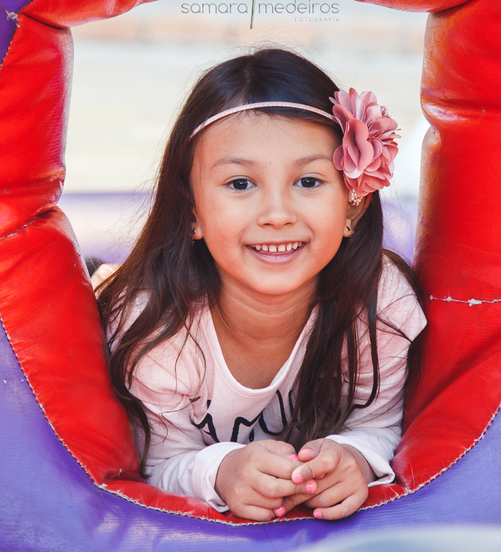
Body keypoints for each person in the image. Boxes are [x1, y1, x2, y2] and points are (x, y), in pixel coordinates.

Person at [97, 48, 427, 522]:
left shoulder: (380, 304)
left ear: (352, 206)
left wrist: (354, 458)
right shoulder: (158, 328)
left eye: (308, 181)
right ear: (191, 211)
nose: (276, 214)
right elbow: (159, 464)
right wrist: (221, 471)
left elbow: (379, 426)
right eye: (240, 184)